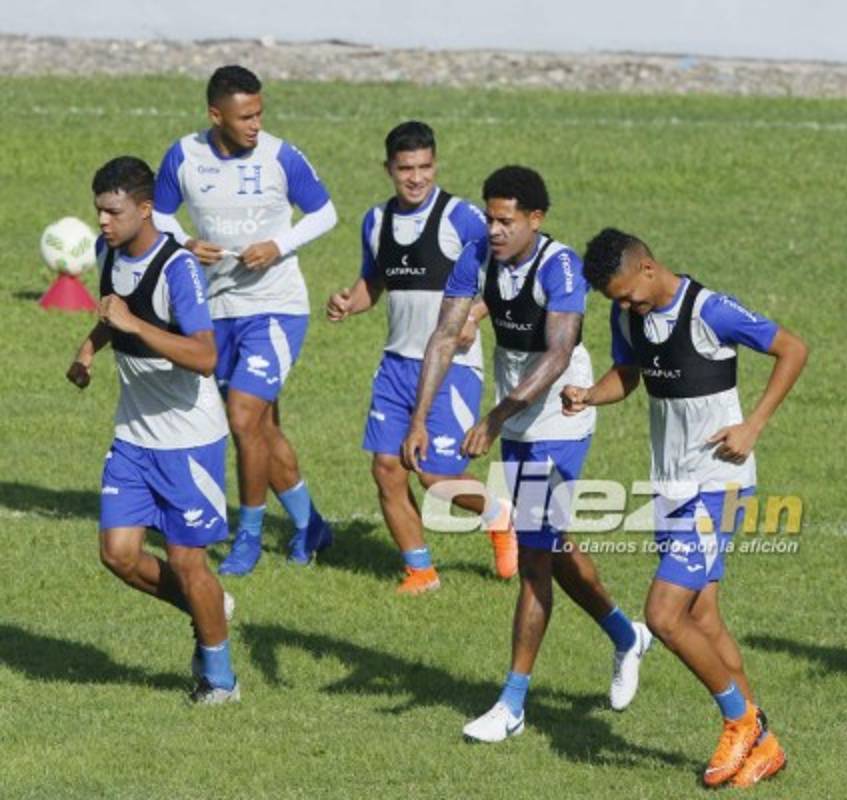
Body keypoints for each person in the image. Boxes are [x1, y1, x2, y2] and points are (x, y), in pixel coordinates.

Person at [403, 166, 651, 741]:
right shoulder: (476, 257)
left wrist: (494, 418)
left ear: (535, 220)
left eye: (505, 220)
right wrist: (419, 418)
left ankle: (512, 705)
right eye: (489, 217)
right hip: (514, 418)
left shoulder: (558, 266)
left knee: (535, 558)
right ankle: (625, 634)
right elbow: (444, 336)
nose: (492, 229)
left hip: (559, 416)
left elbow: (560, 354)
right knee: (552, 548)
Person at [571, 228, 807, 787]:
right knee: (701, 616)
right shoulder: (627, 316)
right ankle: (765, 745)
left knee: (663, 614)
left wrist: (753, 426)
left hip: (719, 485)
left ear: (649, 267)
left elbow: (792, 349)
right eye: (615, 300)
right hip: (671, 487)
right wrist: (588, 395)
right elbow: (628, 375)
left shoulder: (710, 310)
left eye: (627, 294)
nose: (623, 306)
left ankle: (739, 720)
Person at [152, 65, 337, 575]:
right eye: (245, 116)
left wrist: (279, 245)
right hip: (220, 309)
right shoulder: (184, 156)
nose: (256, 124)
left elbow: (325, 213)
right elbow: (159, 215)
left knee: (240, 418)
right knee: (262, 428)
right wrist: (186, 243)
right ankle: (312, 525)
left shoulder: (280, 156)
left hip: (277, 307)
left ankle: (248, 537)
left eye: (260, 113)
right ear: (216, 115)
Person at [67, 156, 238, 704]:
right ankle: (208, 606)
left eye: (113, 212)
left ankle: (219, 679)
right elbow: (116, 310)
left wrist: (131, 326)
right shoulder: (108, 253)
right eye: (98, 211)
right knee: (117, 553)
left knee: (189, 561)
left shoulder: (178, 270)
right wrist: (90, 348)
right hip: (134, 437)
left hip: (189, 441)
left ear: (146, 210)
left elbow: (206, 355)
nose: (102, 222)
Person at [326, 121, 517, 594]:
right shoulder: (376, 221)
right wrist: (351, 301)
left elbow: (509, 275)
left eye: (425, 167)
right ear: (388, 168)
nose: (416, 178)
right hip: (397, 364)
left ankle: (499, 514)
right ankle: (420, 571)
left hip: (453, 366)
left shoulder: (464, 219)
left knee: (435, 473)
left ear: (436, 165)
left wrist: (474, 315)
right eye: (406, 168)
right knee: (387, 468)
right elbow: (375, 282)